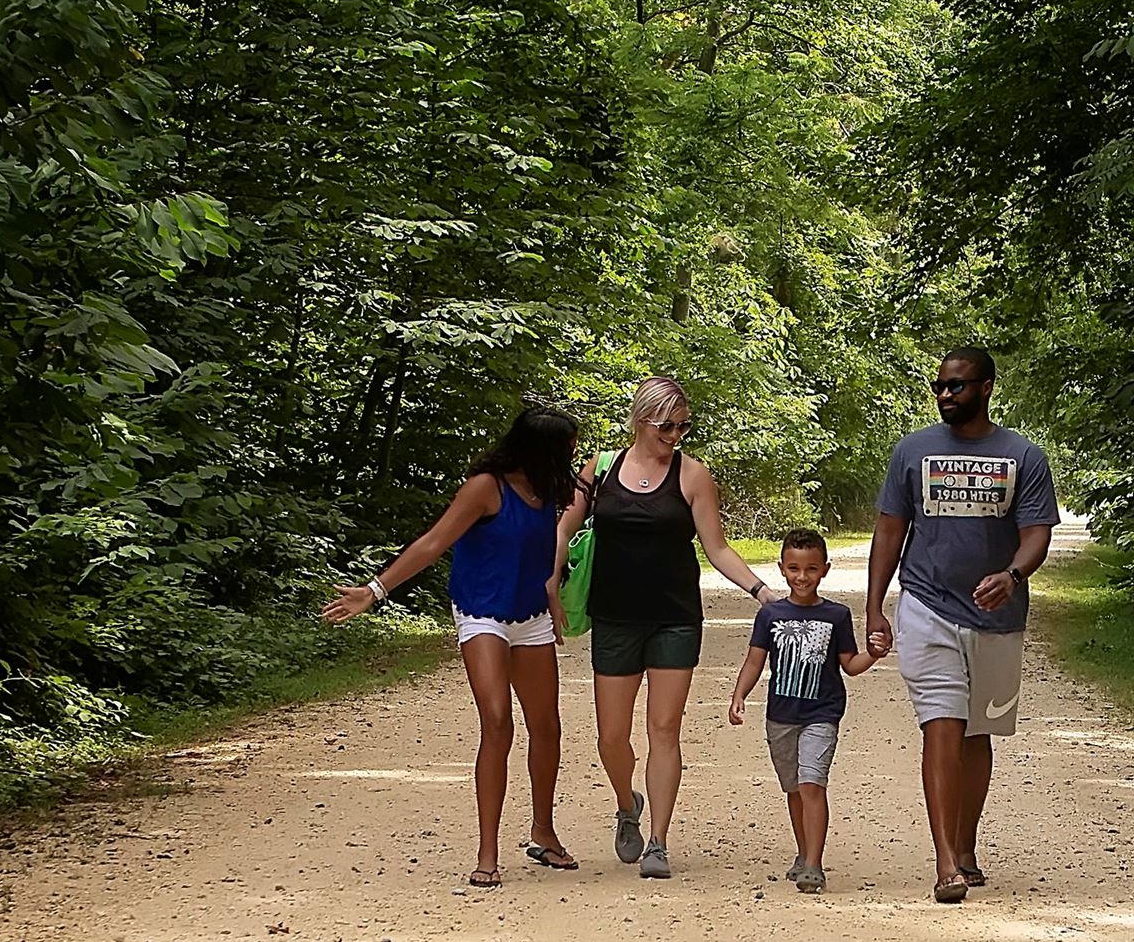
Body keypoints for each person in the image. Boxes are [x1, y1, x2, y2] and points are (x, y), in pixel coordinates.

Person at [320, 404, 581, 890]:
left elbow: (541, 548)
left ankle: (543, 831)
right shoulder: (486, 487)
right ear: (538, 450)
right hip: (481, 610)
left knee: (547, 727)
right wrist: (374, 591)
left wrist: (551, 589)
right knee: (497, 721)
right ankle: (488, 852)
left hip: (529, 614)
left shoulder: (548, 489)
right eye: (565, 450)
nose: (571, 458)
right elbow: (433, 543)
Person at [555, 374, 771, 880]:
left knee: (664, 729)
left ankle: (658, 840)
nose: (674, 436)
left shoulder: (693, 476)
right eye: (666, 426)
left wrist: (762, 592)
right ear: (641, 420)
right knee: (611, 737)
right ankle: (626, 803)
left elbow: (717, 548)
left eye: (682, 427)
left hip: (675, 617)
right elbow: (564, 525)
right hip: (615, 617)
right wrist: (551, 573)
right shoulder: (602, 469)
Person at [864, 347, 1059, 903]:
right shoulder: (913, 450)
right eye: (940, 387)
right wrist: (876, 606)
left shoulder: (1022, 456)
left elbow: (1037, 534)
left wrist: (1013, 575)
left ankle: (966, 845)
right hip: (926, 606)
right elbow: (889, 532)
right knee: (942, 726)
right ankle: (945, 861)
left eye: (957, 386)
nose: (945, 395)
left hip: (997, 617)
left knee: (978, 734)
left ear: (986, 387)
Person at [726, 525, 873, 893]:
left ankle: (814, 864)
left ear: (825, 569)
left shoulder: (837, 616)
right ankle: (803, 851)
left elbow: (850, 664)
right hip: (781, 716)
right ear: (782, 569)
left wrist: (874, 653)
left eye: (810, 569)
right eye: (794, 568)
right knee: (793, 788)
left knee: (812, 783)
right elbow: (755, 661)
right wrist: (740, 694)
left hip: (822, 714)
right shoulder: (770, 615)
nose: (802, 577)